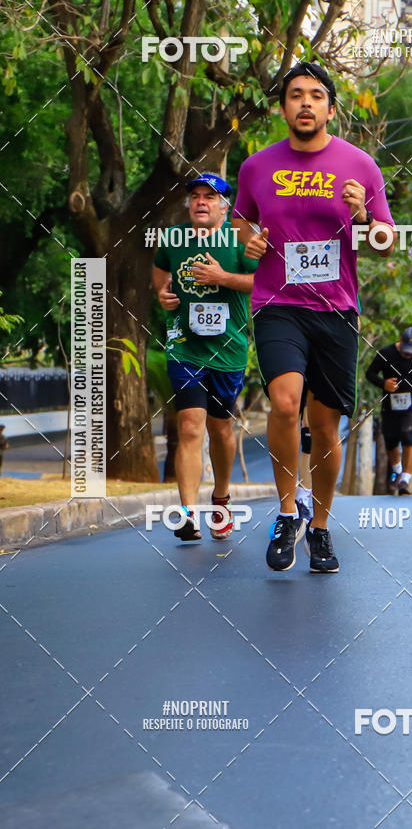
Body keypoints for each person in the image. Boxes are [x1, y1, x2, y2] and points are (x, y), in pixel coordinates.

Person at [232, 61, 394, 573]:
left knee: (325, 427)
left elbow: (386, 243)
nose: (305, 103)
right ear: (282, 107)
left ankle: (320, 527)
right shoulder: (256, 166)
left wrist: (365, 217)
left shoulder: (360, 165)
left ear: (329, 107)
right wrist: (247, 239)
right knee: (284, 404)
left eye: (316, 95)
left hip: (336, 309)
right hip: (277, 304)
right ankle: (285, 513)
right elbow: (241, 217)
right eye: (296, 94)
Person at [153, 173, 257, 541]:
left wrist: (223, 277)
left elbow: (263, 285)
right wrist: (162, 294)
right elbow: (161, 271)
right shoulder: (173, 237)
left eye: (209, 197)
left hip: (228, 349)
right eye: (195, 196)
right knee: (190, 425)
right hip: (185, 345)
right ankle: (187, 513)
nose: (201, 202)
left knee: (221, 427)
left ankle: (221, 498)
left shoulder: (241, 240)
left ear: (224, 206)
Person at [365, 326, 412, 495]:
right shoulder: (385, 353)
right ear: (400, 343)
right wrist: (384, 383)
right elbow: (370, 374)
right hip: (390, 403)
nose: (408, 355)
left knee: (408, 435)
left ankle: (405, 479)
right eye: (405, 351)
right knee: (390, 439)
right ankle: (397, 470)